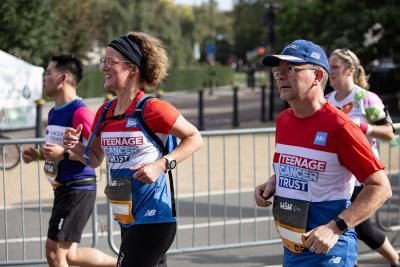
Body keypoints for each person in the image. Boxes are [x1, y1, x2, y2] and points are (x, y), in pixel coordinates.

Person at [63, 31, 203, 267]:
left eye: (111, 62)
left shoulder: (152, 109)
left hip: (154, 218)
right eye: (103, 61)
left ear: (132, 69)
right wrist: (74, 146)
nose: (104, 68)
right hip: (126, 217)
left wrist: (161, 164)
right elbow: (95, 158)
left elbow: (194, 137)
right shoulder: (105, 111)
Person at [254, 39, 392, 266]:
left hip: (329, 253)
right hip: (293, 249)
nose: (280, 76)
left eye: (291, 69)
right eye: (278, 70)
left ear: (317, 77)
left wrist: (334, 228)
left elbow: (381, 187)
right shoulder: (284, 120)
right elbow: (305, 165)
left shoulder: (341, 127)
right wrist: (274, 181)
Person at [22, 55, 117, 267]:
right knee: (71, 255)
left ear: (63, 77)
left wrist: (63, 154)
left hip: (78, 187)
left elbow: (96, 155)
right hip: (63, 188)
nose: (44, 78)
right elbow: (57, 149)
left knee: (55, 253)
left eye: (48, 73)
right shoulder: (55, 112)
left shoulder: (80, 111)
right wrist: (37, 155)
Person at [326, 48, 398, 266]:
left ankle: (395, 260)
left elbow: (389, 133)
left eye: (335, 67)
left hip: (362, 175)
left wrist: (361, 126)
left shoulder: (365, 99)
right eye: (329, 67)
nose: (330, 72)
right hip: (337, 175)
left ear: (350, 70)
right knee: (342, 225)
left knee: (359, 226)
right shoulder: (327, 101)